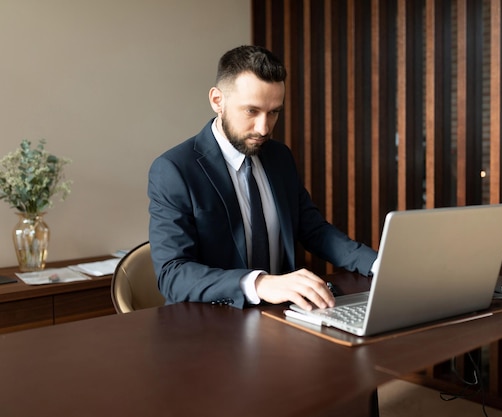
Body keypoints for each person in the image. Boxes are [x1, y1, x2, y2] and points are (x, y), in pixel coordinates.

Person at [148, 45, 377, 312]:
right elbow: (172, 274)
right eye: (251, 111)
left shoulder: (279, 157)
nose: (264, 128)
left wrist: (378, 264)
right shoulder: (174, 169)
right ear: (217, 100)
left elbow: (314, 230)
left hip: (281, 317)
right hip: (211, 324)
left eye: (274, 112)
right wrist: (259, 284)